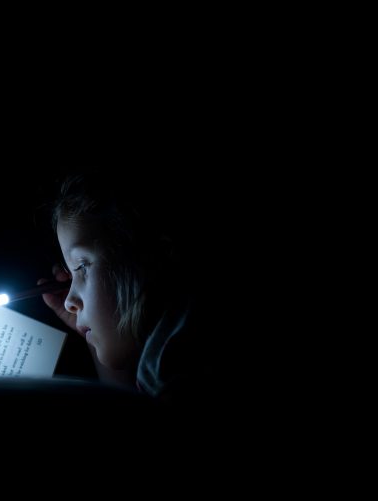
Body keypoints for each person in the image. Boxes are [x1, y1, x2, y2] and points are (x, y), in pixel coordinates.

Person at [38, 168, 238, 407]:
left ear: (150, 257)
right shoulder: (167, 351)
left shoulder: (184, 363)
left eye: (81, 266)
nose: (70, 301)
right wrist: (91, 333)